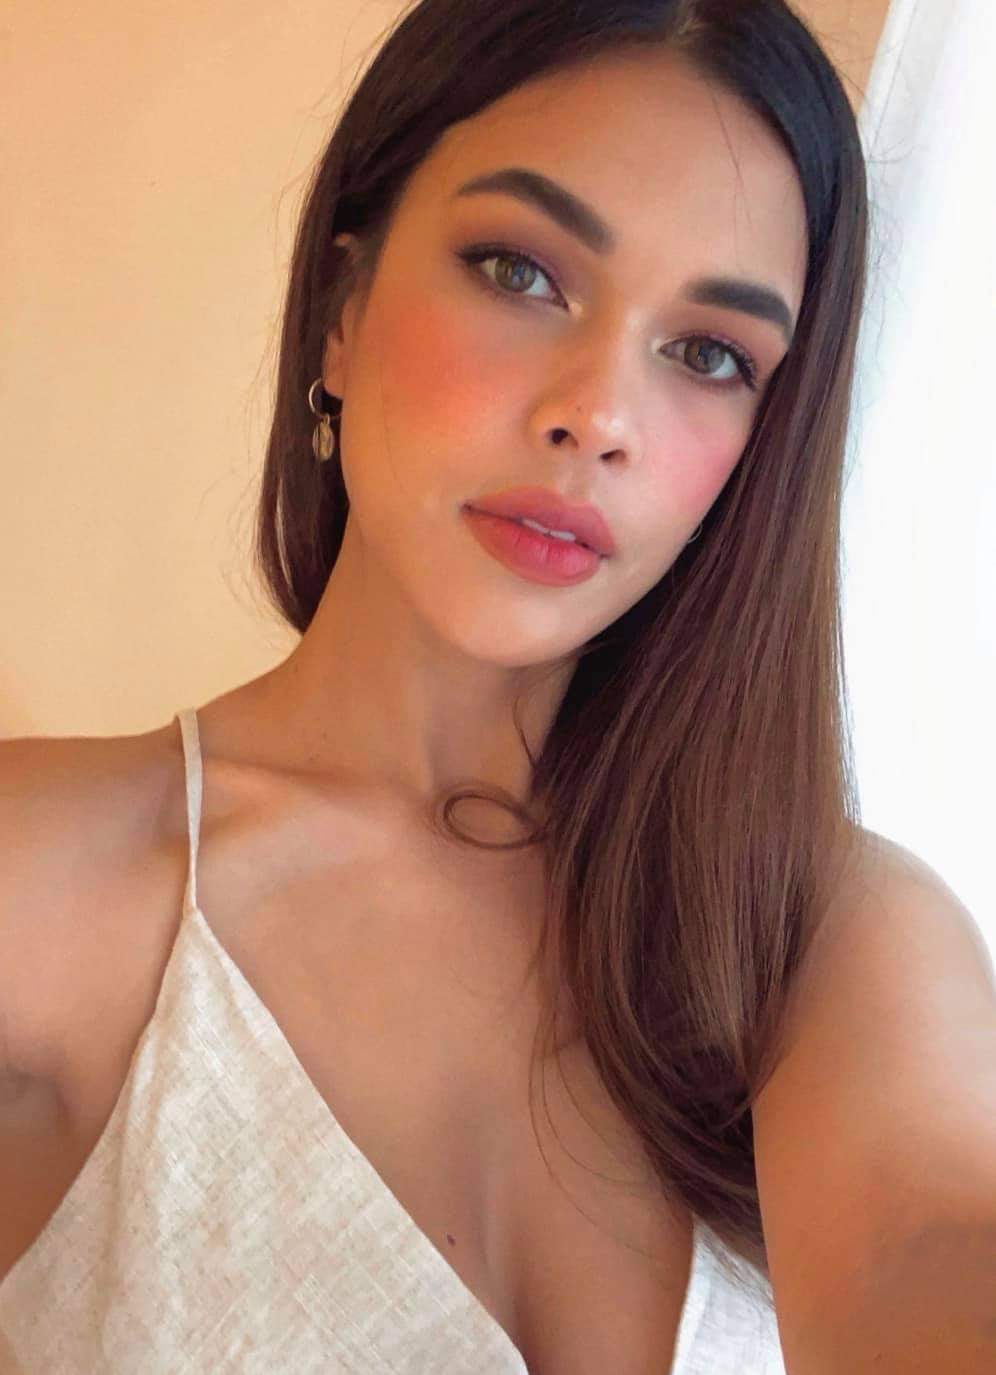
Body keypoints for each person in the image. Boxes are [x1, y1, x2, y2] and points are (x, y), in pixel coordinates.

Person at [1, 1, 962, 1372]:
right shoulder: (47, 879)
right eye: (522, 272)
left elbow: (931, 1247)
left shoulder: (823, 937)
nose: (599, 417)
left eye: (709, 354)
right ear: (341, 312)